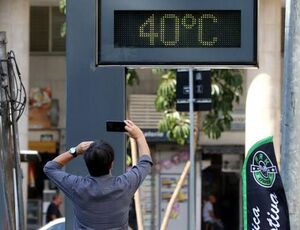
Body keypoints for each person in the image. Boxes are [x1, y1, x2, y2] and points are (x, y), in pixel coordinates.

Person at [43, 120, 152, 229]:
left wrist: (75, 150)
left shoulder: (77, 186)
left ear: (87, 164)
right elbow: (145, 162)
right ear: (112, 163)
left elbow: (50, 168)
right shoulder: (125, 185)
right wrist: (139, 136)